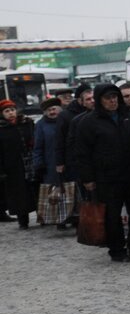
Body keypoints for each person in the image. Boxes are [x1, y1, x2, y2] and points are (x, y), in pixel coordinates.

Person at [74, 83, 130, 262]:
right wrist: (88, 178)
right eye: (108, 98)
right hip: (107, 178)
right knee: (112, 216)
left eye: (115, 97)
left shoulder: (129, 117)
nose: (113, 101)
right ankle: (117, 249)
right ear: (100, 100)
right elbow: (82, 153)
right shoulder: (88, 122)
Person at [56, 84, 93, 227]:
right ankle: (77, 218)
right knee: (76, 191)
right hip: (72, 159)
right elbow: (60, 140)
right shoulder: (66, 116)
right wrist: (60, 162)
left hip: (88, 159)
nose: (92, 101)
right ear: (80, 100)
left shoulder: (94, 113)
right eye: (88, 98)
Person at [0, 99, 36, 229]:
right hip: (13, 166)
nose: (11, 113)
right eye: (7, 111)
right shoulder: (2, 129)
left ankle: (42, 216)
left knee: (34, 189)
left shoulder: (27, 123)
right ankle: (23, 220)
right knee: (19, 194)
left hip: (30, 161)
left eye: (12, 110)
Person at [33, 98, 65, 228]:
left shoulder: (65, 121)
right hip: (50, 163)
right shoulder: (41, 125)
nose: (52, 112)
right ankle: (58, 220)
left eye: (54, 109)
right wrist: (38, 163)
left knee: (68, 189)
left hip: (66, 161)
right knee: (54, 192)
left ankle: (71, 217)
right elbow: (38, 146)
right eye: (49, 110)